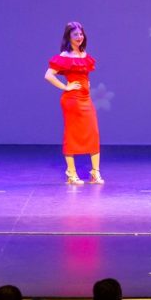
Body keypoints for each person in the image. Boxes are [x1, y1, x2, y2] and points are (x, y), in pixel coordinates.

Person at [44, 21, 103, 185]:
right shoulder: (65, 55)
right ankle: (71, 173)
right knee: (72, 134)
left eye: (81, 34)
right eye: (75, 34)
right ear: (68, 37)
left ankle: (95, 172)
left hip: (86, 99)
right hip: (72, 100)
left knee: (93, 132)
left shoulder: (84, 54)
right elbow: (48, 75)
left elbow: (84, 74)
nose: (79, 37)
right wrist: (65, 87)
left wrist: (87, 83)